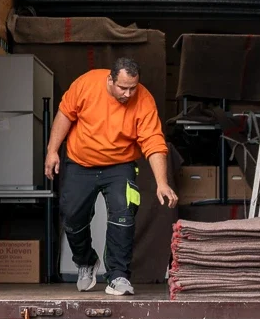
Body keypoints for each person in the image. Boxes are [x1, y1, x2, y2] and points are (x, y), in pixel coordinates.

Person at [43, 59, 178, 296]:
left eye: (133, 88)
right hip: (80, 163)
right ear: (110, 79)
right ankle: (86, 261)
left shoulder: (144, 100)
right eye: (122, 88)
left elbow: (154, 142)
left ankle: (118, 276)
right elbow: (65, 114)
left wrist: (162, 182)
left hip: (120, 165)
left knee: (124, 213)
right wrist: (52, 150)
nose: (128, 94)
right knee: (72, 216)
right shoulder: (87, 84)